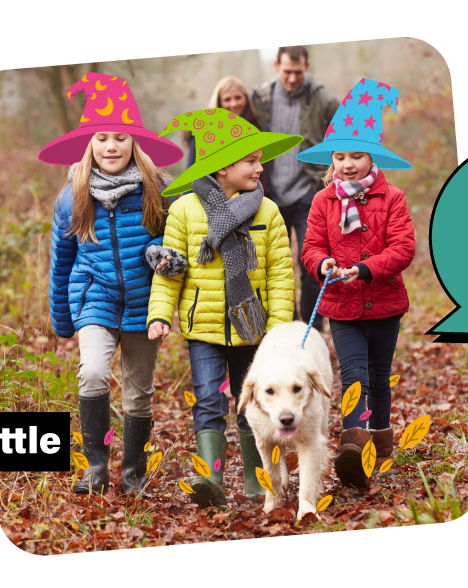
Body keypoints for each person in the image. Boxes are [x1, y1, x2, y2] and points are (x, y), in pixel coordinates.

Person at [39, 72, 184, 495]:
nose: (111, 147)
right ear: (90, 144)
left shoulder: (159, 190)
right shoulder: (72, 196)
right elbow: (62, 260)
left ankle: (133, 474)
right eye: (102, 138)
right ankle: (97, 467)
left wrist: (164, 255)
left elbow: (178, 243)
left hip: (143, 302)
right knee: (93, 374)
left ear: (135, 143)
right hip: (94, 298)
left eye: (120, 138)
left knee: (138, 394)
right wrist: (60, 318)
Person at [147, 107, 299, 506]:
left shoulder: (267, 211)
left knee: (254, 402)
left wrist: (280, 331)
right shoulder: (183, 211)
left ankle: (256, 479)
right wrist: (160, 315)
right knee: (208, 400)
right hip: (204, 330)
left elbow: (281, 275)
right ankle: (211, 480)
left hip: (255, 329)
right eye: (250, 161)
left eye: (259, 160)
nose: (259, 168)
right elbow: (169, 269)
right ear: (220, 168)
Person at [298, 78, 415, 490]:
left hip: (384, 302)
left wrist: (367, 269)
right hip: (342, 305)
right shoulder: (322, 201)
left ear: (373, 157)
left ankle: (380, 447)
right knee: (354, 376)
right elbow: (311, 246)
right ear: (332, 159)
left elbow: (403, 248)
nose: (347, 164)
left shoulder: (392, 198)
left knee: (379, 377)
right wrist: (323, 262)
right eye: (341, 156)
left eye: (357, 156)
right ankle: (353, 447)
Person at [251, 46, 340, 330]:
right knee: (274, 266)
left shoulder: (324, 101)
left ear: (307, 66)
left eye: (298, 72)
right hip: (269, 194)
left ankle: (311, 328)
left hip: (308, 193)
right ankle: (287, 326)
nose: (292, 79)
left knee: (312, 261)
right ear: (277, 65)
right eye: (287, 72)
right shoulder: (260, 99)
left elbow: (341, 143)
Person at [184, 76, 259, 167]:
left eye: (238, 97)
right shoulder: (204, 133)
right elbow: (192, 172)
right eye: (227, 99)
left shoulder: (255, 126)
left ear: (246, 99)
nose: (234, 104)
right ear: (219, 102)